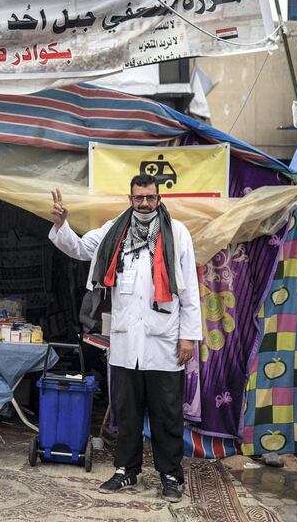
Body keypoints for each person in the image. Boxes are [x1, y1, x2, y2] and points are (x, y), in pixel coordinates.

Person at [48, 175, 202, 503]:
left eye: (149, 198)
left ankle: (170, 476)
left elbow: (189, 289)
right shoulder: (113, 231)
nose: (144, 204)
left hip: (164, 342)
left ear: (158, 198)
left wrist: (188, 337)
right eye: (138, 198)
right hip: (125, 342)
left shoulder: (177, 234)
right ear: (130, 198)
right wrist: (63, 224)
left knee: (166, 413)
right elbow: (78, 248)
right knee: (127, 411)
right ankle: (126, 470)